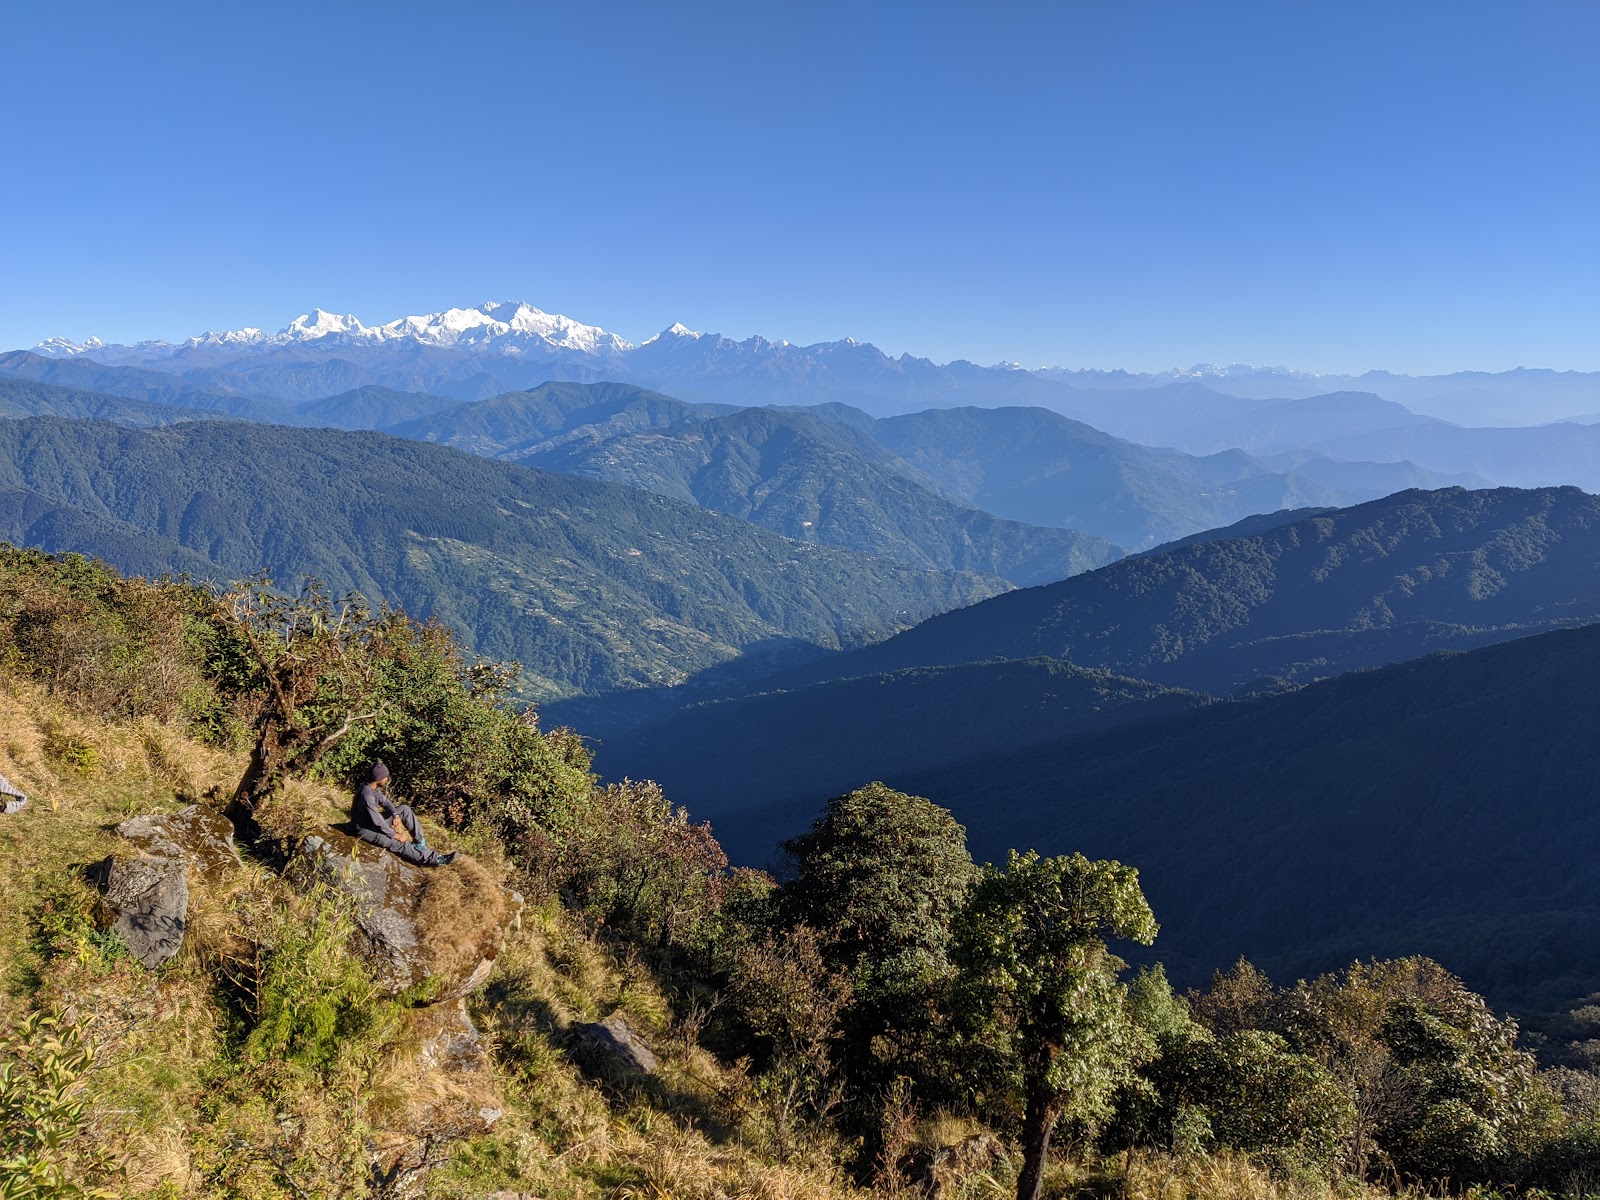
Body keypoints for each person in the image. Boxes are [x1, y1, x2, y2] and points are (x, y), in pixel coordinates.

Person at [352, 762, 454, 866]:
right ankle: (435, 859)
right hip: (365, 829)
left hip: (372, 823)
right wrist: (395, 835)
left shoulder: (374, 789)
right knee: (399, 844)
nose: (387, 779)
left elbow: (386, 803)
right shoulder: (367, 795)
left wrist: (395, 814)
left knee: (404, 809)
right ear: (378, 778)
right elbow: (378, 821)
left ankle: (419, 843)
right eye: (385, 777)